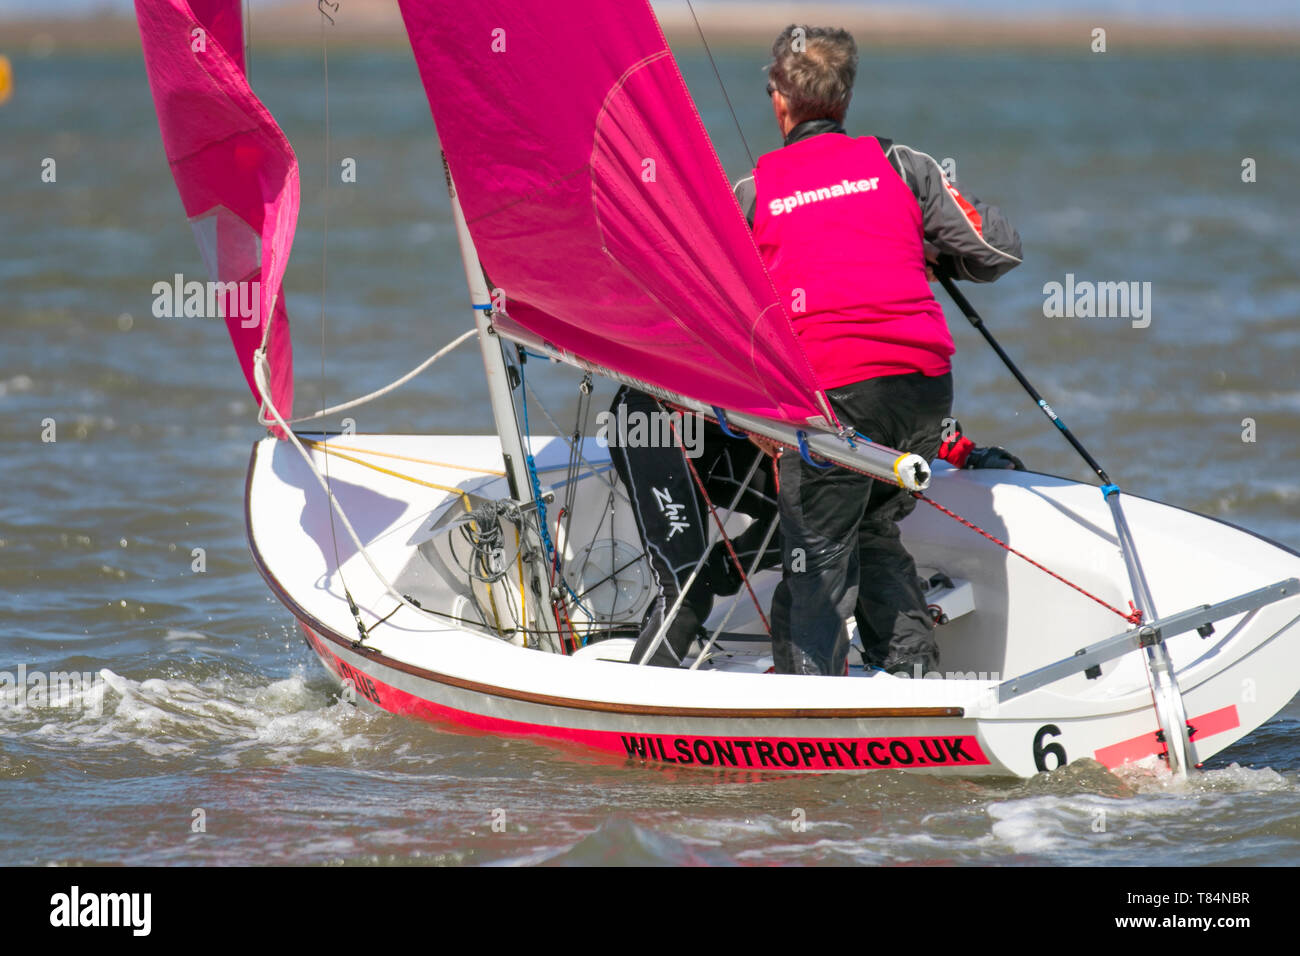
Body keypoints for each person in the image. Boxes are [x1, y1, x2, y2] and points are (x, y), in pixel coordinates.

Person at [733, 25, 1023, 676]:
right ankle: (914, 684)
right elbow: (997, 250)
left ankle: (807, 730)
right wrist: (926, 240)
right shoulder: (904, 166)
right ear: (846, 98)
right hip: (923, 391)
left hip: (833, 399)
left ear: (779, 100)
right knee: (872, 529)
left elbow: (713, 309)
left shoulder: (752, 195)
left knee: (815, 558)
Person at [606, 386, 781, 667]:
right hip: (652, 418)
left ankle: (721, 569)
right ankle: (633, 700)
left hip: (726, 424)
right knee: (688, 596)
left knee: (821, 509)